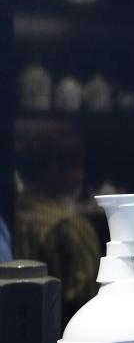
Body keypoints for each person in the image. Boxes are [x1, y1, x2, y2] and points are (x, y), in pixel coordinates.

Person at [14, 123, 101, 321]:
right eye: (77, 166)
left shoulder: (11, 215)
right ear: (54, 168)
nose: (81, 175)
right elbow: (88, 300)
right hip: (60, 332)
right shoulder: (70, 225)